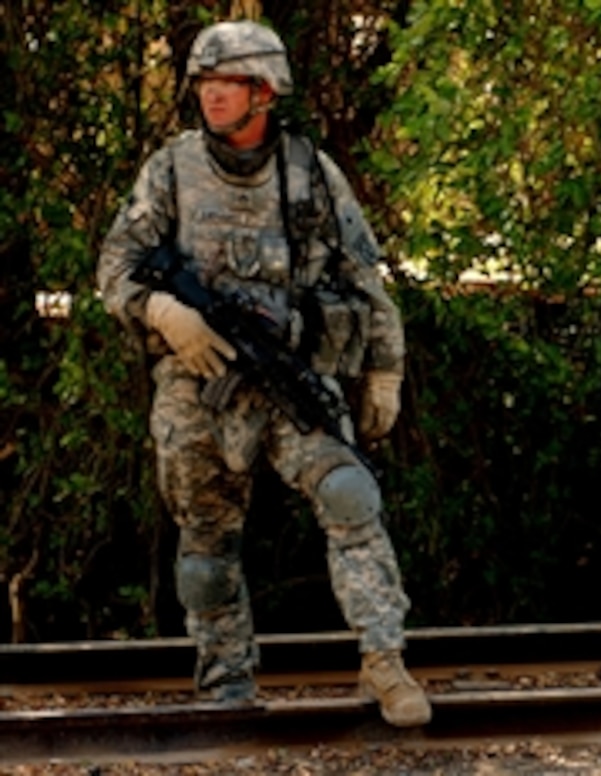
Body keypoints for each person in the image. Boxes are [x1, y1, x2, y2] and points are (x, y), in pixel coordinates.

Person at [96, 19, 431, 727]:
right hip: (199, 384)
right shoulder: (171, 169)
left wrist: (384, 372)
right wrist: (162, 310)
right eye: (205, 83)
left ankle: (384, 661)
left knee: (349, 495)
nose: (211, 96)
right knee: (206, 544)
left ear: (264, 92)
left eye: (228, 83)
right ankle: (226, 684)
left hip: (289, 378)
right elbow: (115, 270)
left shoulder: (308, 172)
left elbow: (364, 279)